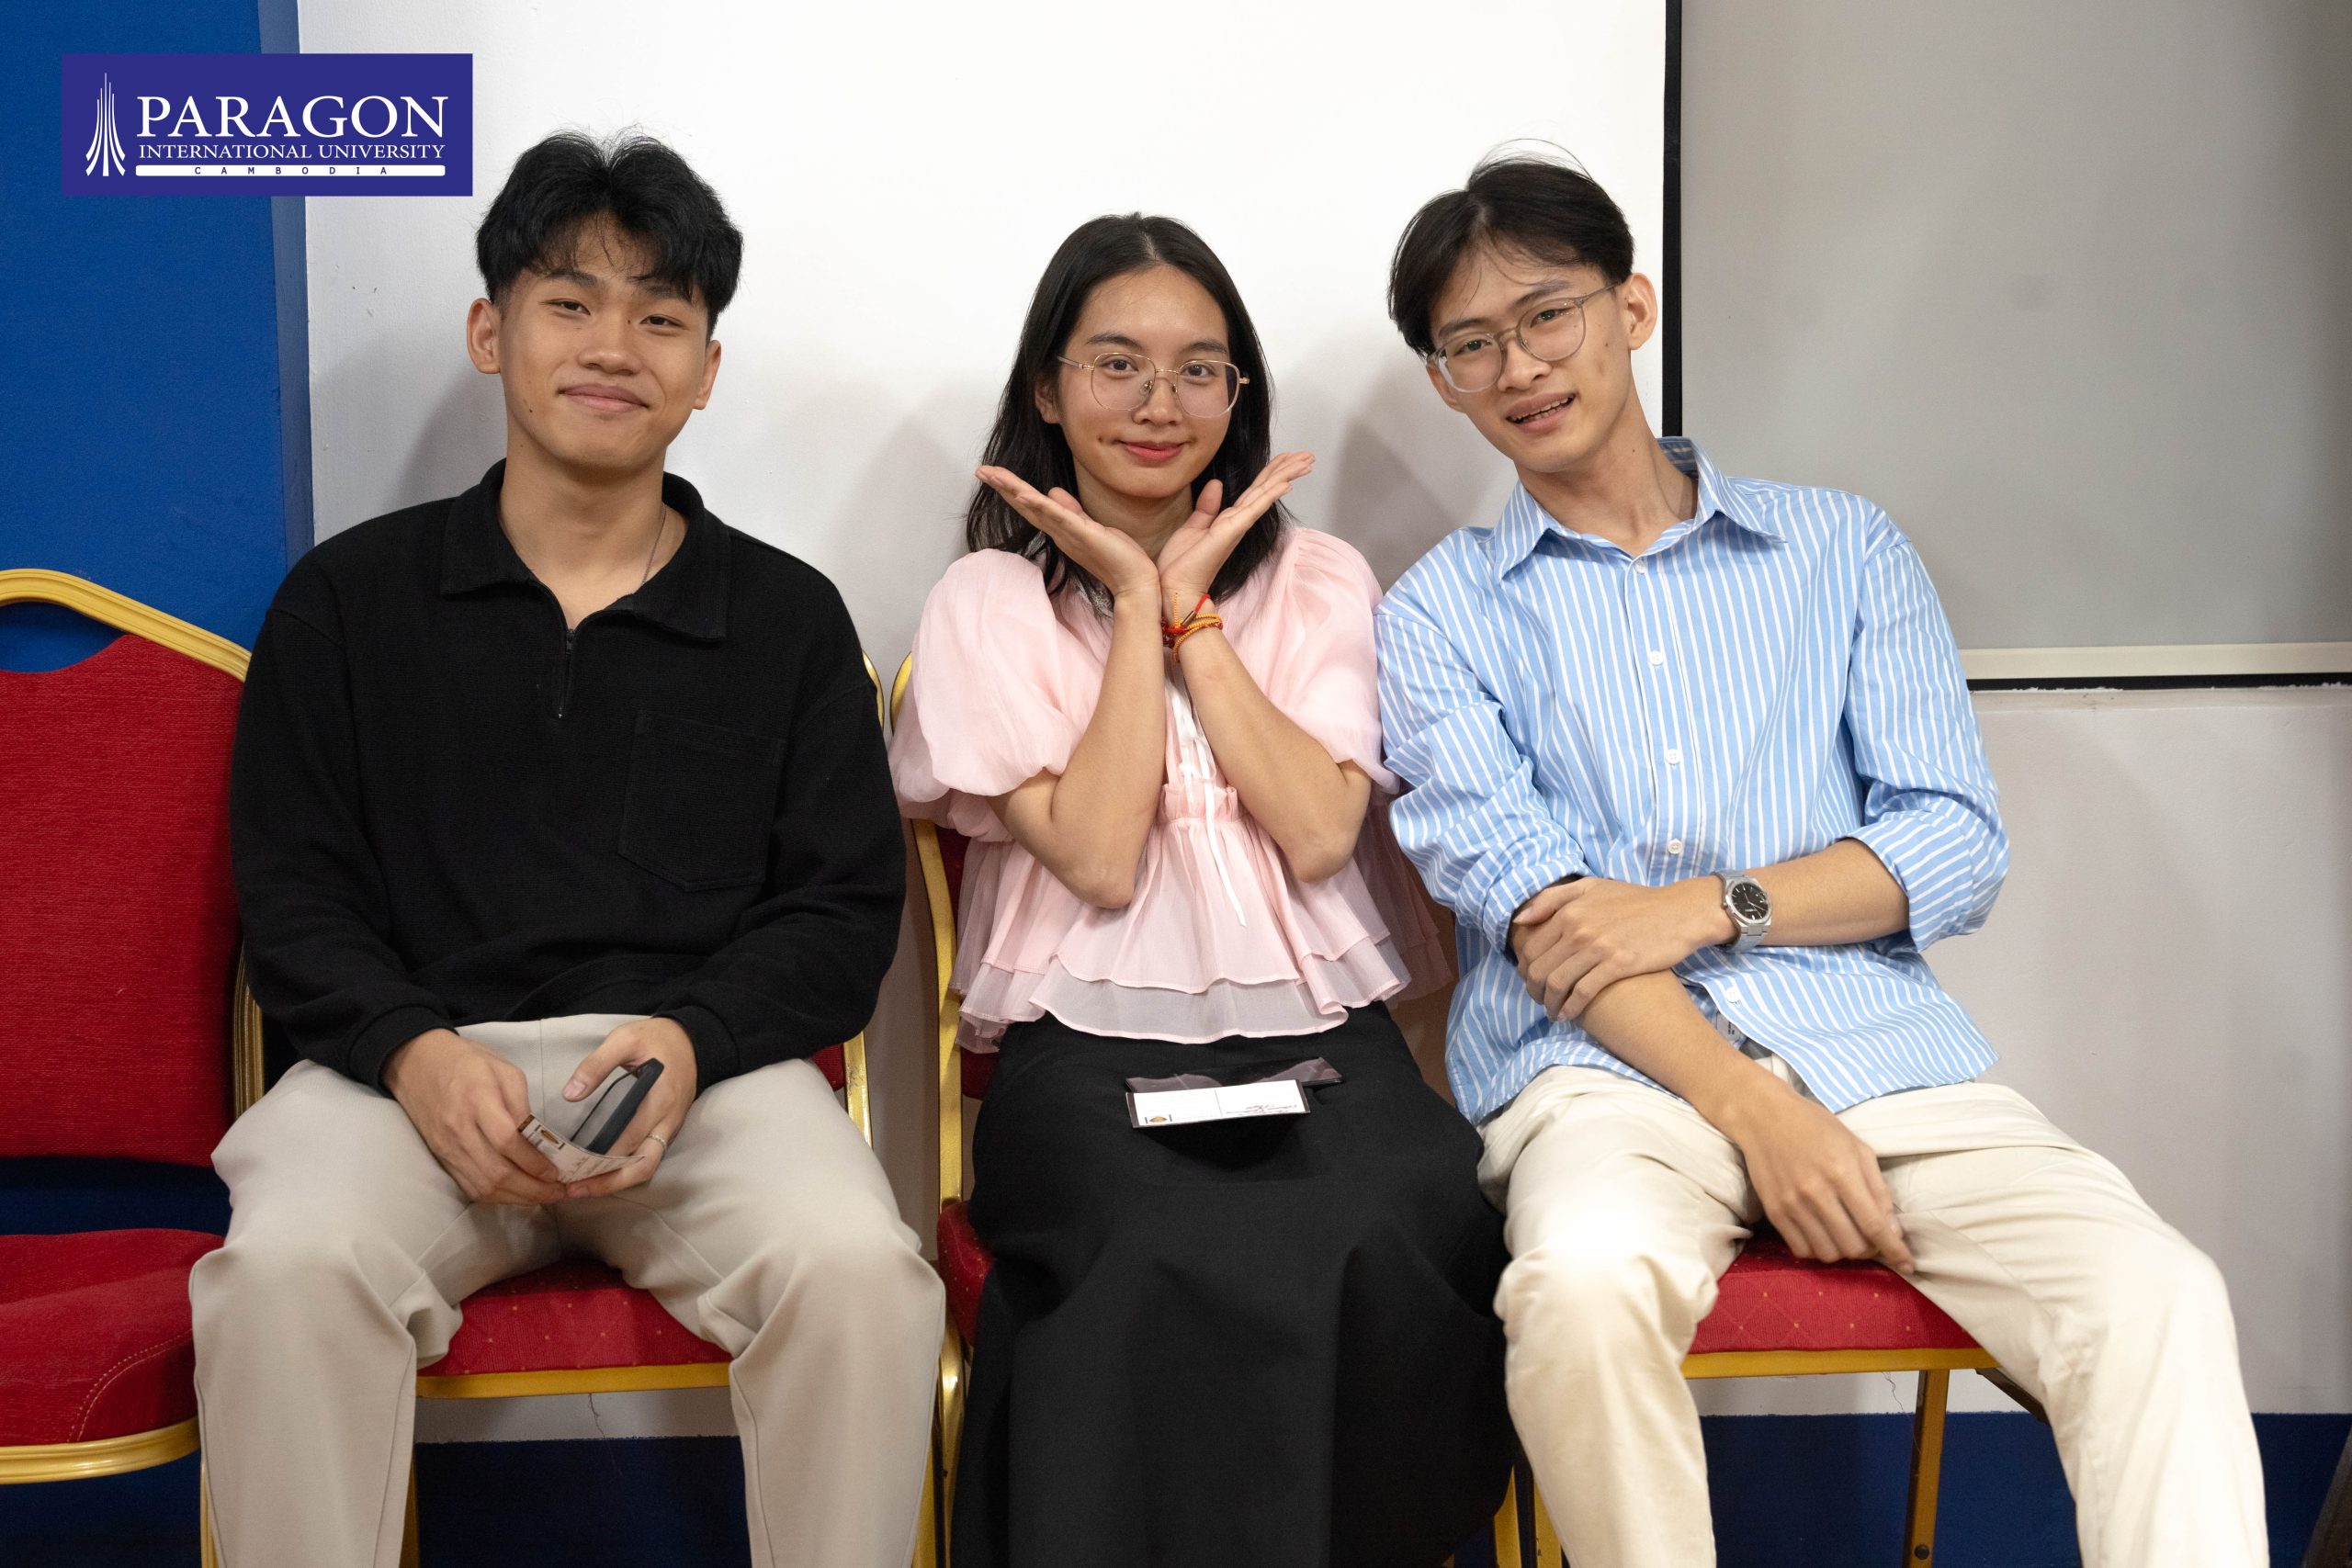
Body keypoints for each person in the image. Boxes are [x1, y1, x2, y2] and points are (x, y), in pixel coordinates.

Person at [1374, 152, 2267, 1568]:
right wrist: (1757, 1113)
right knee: (1580, 1289)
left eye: (1547, 315)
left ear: (1631, 307)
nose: (1519, 367)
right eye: (1470, 343)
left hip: (1880, 1055)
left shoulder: (1842, 549)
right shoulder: (1439, 614)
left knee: (2154, 1290)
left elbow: (1952, 841)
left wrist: (1706, 908)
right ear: (1443, 381)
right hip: (1604, 1079)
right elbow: (1547, 923)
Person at [192, 131, 942, 1568]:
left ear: (706, 368)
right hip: (405, 1082)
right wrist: (414, 1051)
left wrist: (694, 1038)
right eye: (570, 302)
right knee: (285, 1273)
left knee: (863, 1276)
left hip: (697, 1086)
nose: (614, 346)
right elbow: (293, 895)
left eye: (661, 316)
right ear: (493, 332)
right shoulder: (347, 603)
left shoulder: (785, 621)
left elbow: (840, 913)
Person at [889, 213, 1513, 1568]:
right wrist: (1129, 607)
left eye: (1198, 369)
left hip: (1317, 1035)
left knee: (1410, 1212)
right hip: (1078, 1050)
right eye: (1117, 364)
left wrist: (1195, 616)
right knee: (1148, 1239)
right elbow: (1100, 856)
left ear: (1239, 395)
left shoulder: (1320, 579)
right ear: (1048, 388)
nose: (1158, 404)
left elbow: (1318, 830)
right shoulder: (987, 601)